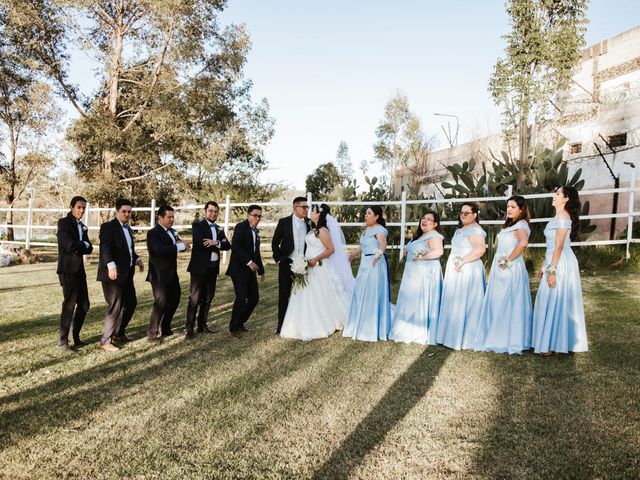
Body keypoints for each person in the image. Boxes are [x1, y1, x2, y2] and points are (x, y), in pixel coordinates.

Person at [280, 204, 350, 340]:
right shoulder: (313, 229)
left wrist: (315, 260)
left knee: (321, 294)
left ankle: (327, 319)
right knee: (306, 294)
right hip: (308, 266)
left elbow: (331, 250)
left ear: (319, 214)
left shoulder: (323, 230)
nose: (310, 213)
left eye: (313, 211)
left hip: (318, 266)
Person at [532, 186, 588, 355]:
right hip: (552, 260)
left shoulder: (563, 218)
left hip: (560, 262)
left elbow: (559, 246)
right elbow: (551, 247)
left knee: (555, 297)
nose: (554, 196)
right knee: (548, 299)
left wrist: (551, 271)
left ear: (566, 199)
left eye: (557, 194)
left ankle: (552, 343)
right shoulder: (557, 217)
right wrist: (544, 265)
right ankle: (550, 341)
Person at [474, 196, 532, 354]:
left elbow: (523, 243)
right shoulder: (510, 224)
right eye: (508, 206)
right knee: (498, 301)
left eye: (513, 207)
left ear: (521, 209)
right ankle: (498, 335)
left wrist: (508, 260)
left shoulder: (521, 224)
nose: (509, 209)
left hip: (510, 267)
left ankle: (508, 339)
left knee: (508, 301)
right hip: (500, 266)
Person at [389, 211, 444, 345]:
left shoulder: (434, 236)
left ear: (435, 224)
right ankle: (406, 326)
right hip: (412, 273)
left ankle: (417, 329)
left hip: (424, 273)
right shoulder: (419, 236)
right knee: (409, 298)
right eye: (423, 218)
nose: (424, 220)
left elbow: (439, 252)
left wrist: (422, 257)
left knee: (419, 299)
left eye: (429, 219)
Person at [437, 202, 486, 350]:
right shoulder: (461, 230)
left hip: (468, 268)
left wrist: (462, 261)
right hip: (456, 268)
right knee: (454, 299)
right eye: (461, 213)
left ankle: (467, 337)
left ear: (475, 215)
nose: (463, 215)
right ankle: (450, 334)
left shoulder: (476, 231)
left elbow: (480, 250)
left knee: (467, 301)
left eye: (467, 213)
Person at [97, 199, 144, 352]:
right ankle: (105, 340)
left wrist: (136, 258)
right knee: (115, 307)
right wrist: (110, 264)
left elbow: (128, 250)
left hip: (127, 273)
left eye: (129, 212)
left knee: (131, 303)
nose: (127, 214)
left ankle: (118, 333)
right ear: (116, 211)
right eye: (124, 211)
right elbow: (105, 248)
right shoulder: (108, 227)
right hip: (113, 274)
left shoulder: (128, 229)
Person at [343, 205, 391, 342]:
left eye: (369, 213)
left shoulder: (380, 230)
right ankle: (360, 322)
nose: (366, 215)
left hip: (374, 264)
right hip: (364, 264)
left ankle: (371, 327)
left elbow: (383, 245)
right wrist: (352, 255)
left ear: (376, 216)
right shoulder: (366, 230)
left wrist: (378, 256)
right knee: (360, 292)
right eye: (365, 213)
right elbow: (362, 247)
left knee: (371, 292)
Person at [185, 201, 231, 339]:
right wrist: (218, 244)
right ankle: (189, 329)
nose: (213, 213)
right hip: (199, 268)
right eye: (210, 211)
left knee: (208, 297)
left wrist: (215, 242)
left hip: (213, 269)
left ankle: (202, 325)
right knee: (195, 298)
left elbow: (227, 245)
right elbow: (200, 242)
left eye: (216, 211)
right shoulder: (197, 225)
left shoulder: (219, 228)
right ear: (205, 211)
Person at [146, 205, 189, 343]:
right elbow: (159, 250)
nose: (172, 220)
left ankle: (165, 327)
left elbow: (177, 245)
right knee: (161, 302)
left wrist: (184, 245)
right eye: (169, 217)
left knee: (175, 299)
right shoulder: (153, 233)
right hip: (159, 274)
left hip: (172, 273)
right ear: (160, 217)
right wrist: (179, 247)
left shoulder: (173, 231)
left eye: (173, 217)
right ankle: (152, 333)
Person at [56, 195, 93, 352]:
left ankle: (75, 337)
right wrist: (82, 244)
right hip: (67, 270)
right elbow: (68, 244)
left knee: (84, 305)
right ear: (72, 207)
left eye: (84, 208)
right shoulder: (64, 223)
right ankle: (62, 342)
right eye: (79, 207)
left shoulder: (83, 226)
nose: (82, 210)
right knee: (69, 305)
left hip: (80, 271)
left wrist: (83, 245)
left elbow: (89, 248)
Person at [271, 196, 310, 334]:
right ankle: (281, 325)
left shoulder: (309, 223)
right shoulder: (284, 222)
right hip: (287, 263)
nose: (307, 209)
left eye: (307, 207)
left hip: (304, 265)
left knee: (303, 295)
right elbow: (275, 242)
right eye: (304, 207)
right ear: (295, 208)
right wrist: (278, 259)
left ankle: (301, 323)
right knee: (284, 294)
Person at [226, 205, 265, 338]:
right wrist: (249, 262)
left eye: (260, 216)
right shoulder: (241, 227)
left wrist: (261, 271)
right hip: (238, 269)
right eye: (255, 215)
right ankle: (233, 328)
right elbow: (235, 246)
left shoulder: (257, 232)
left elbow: (256, 252)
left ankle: (240, 322)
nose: (257, 218)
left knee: (254, 298)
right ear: (248, 215)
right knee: (241, 298)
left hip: (251, 270)